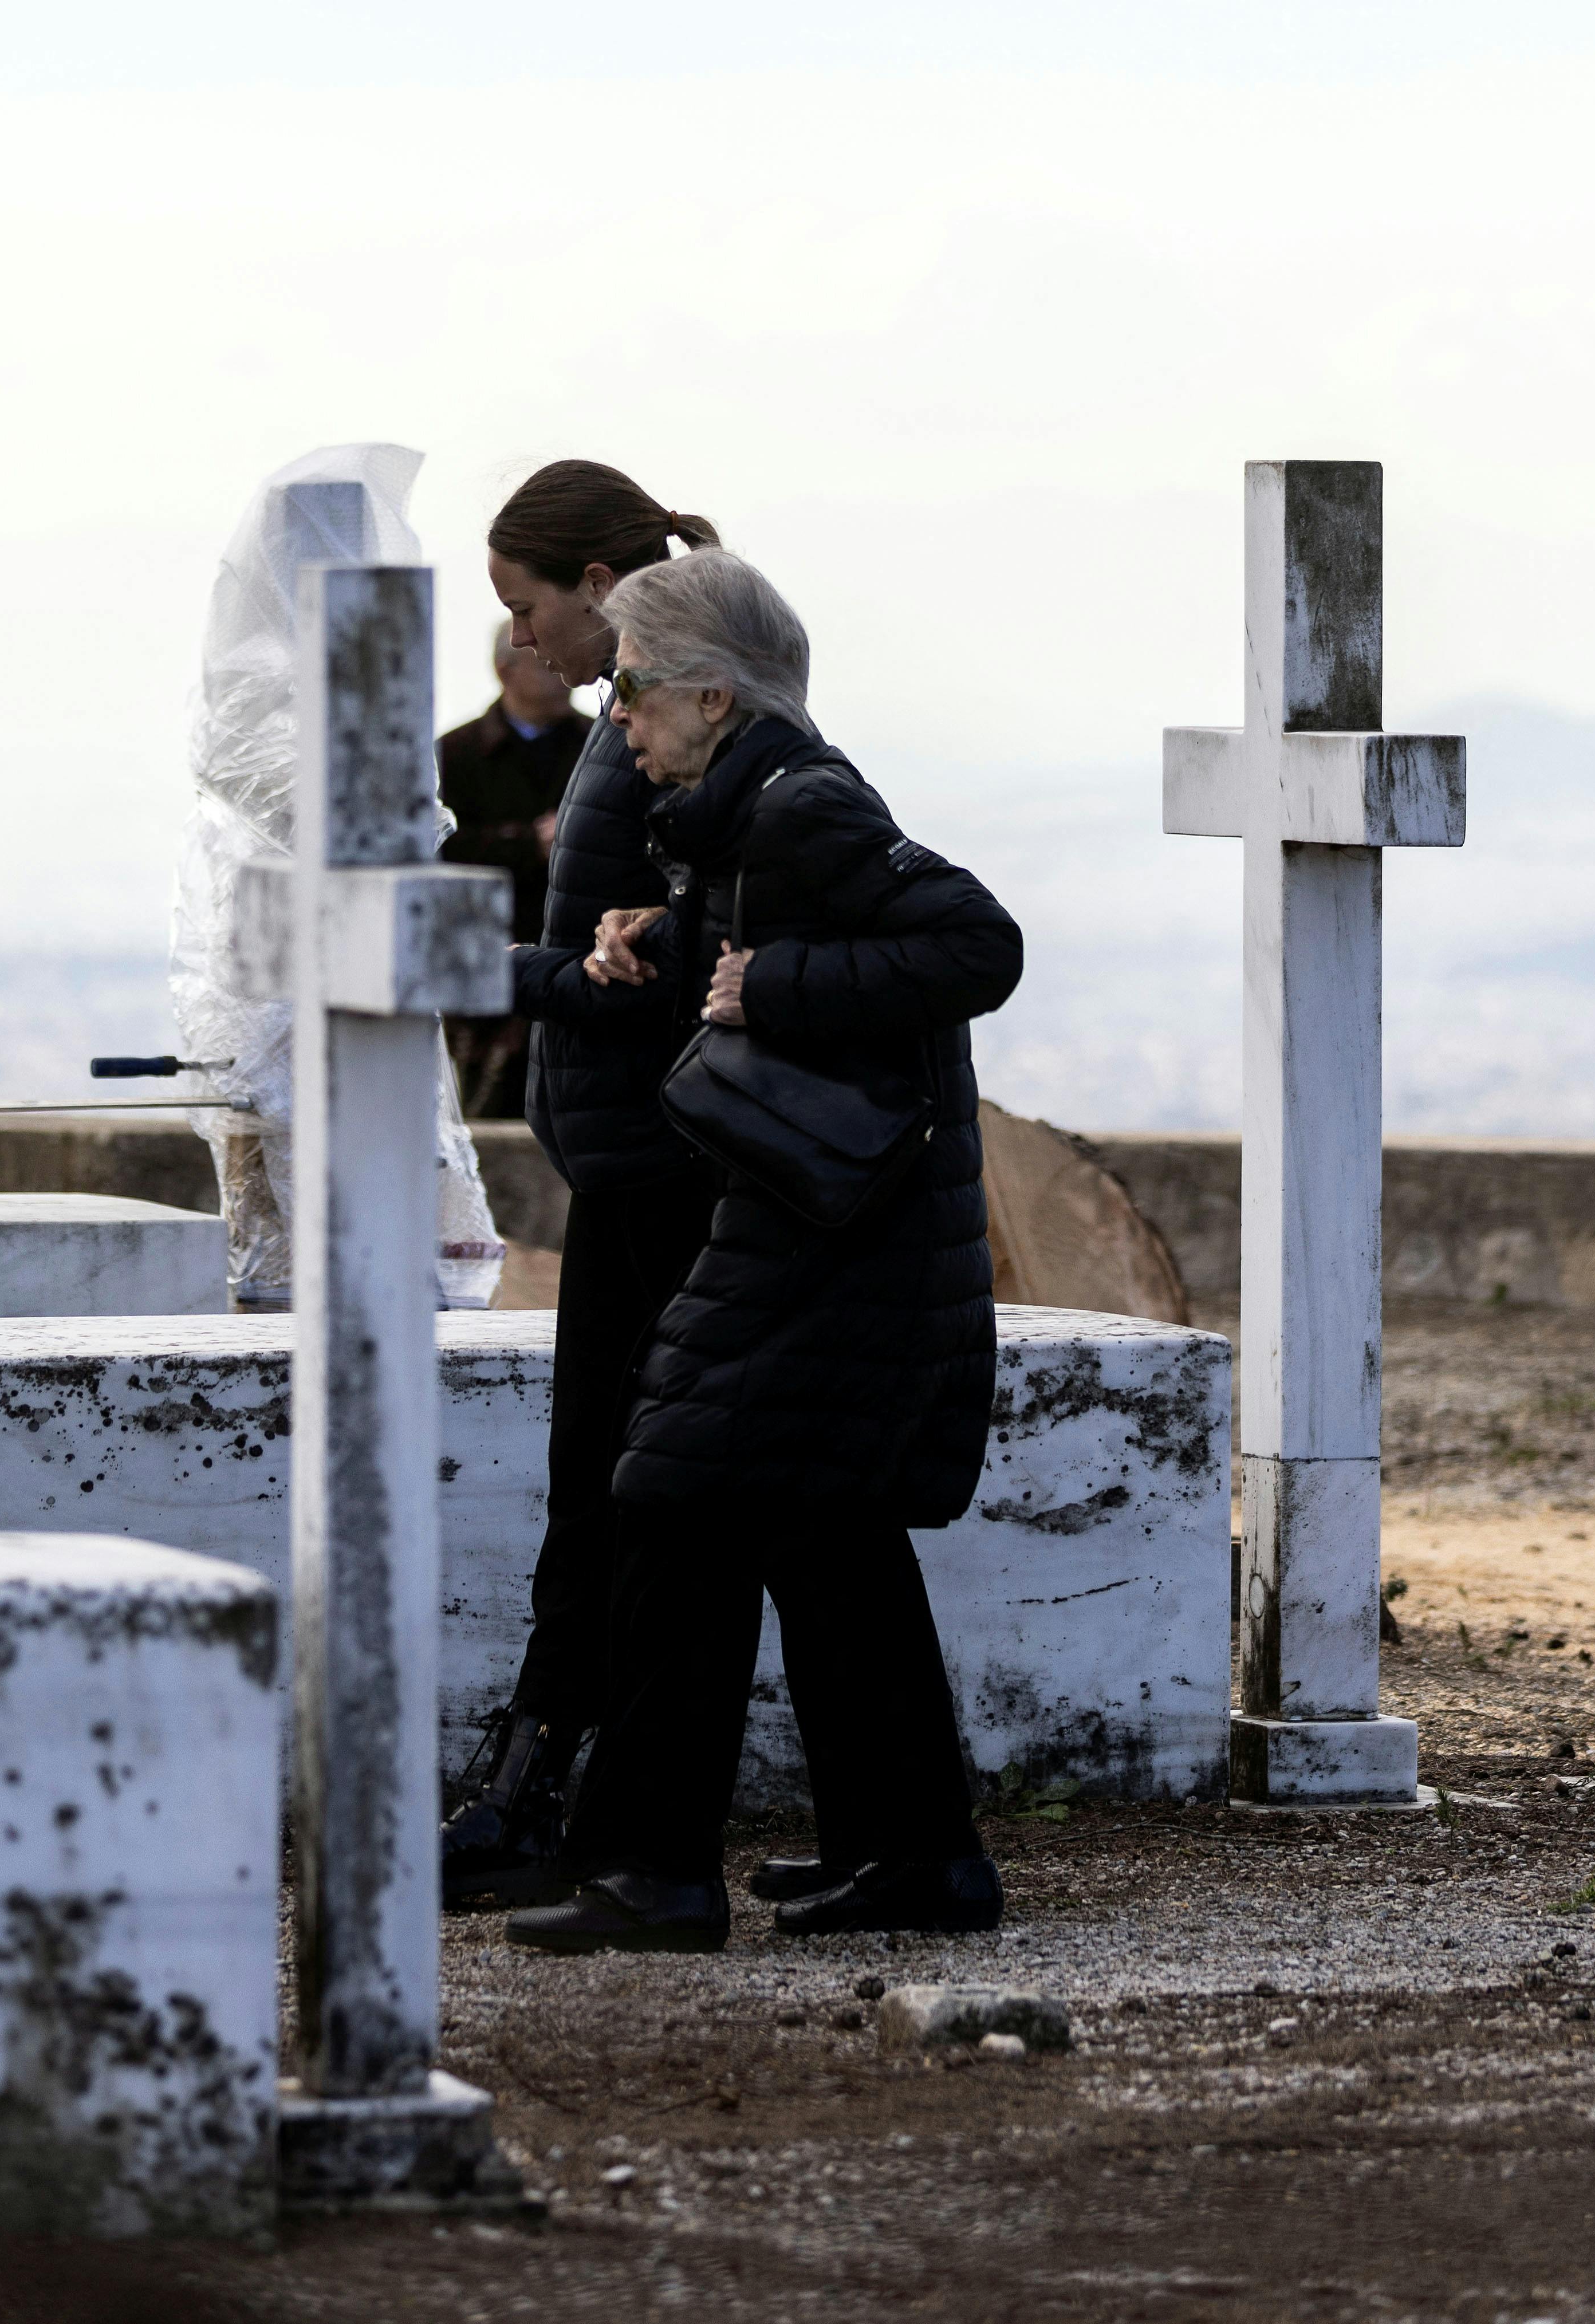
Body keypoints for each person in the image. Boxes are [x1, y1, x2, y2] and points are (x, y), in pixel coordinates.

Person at [505, 548, 1019, 1953]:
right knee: (819, 1526)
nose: (615, 719)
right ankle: (913, 1854)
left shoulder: (803, 805)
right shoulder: (749, 819)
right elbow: (782, 954)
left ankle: (651, 1869)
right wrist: (669, 944)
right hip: (828, 1232)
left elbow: (975, 942)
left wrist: (766, 979)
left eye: (633, 692)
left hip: (829, 1243)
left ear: (712, 696)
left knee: (666, 1494)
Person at [436, 462, 719, 1904]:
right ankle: (553, 1778)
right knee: (595, 1481)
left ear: (598, 588)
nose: (522, 644)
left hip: (657, 1168)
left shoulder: (669, 733)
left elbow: (675, 957)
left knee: (611, 1486)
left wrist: (508, 973)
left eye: (529, 608)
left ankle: (553, 1787)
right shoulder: (624, 732)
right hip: (621, 1160)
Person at [438, 619, 592, 1116]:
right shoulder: (451, 756)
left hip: (583, 963)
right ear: (506, 670)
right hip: (485, 978)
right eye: (541, 656)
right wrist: (529, 843)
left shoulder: (605, 742)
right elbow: (434, 850)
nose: (559, 668)